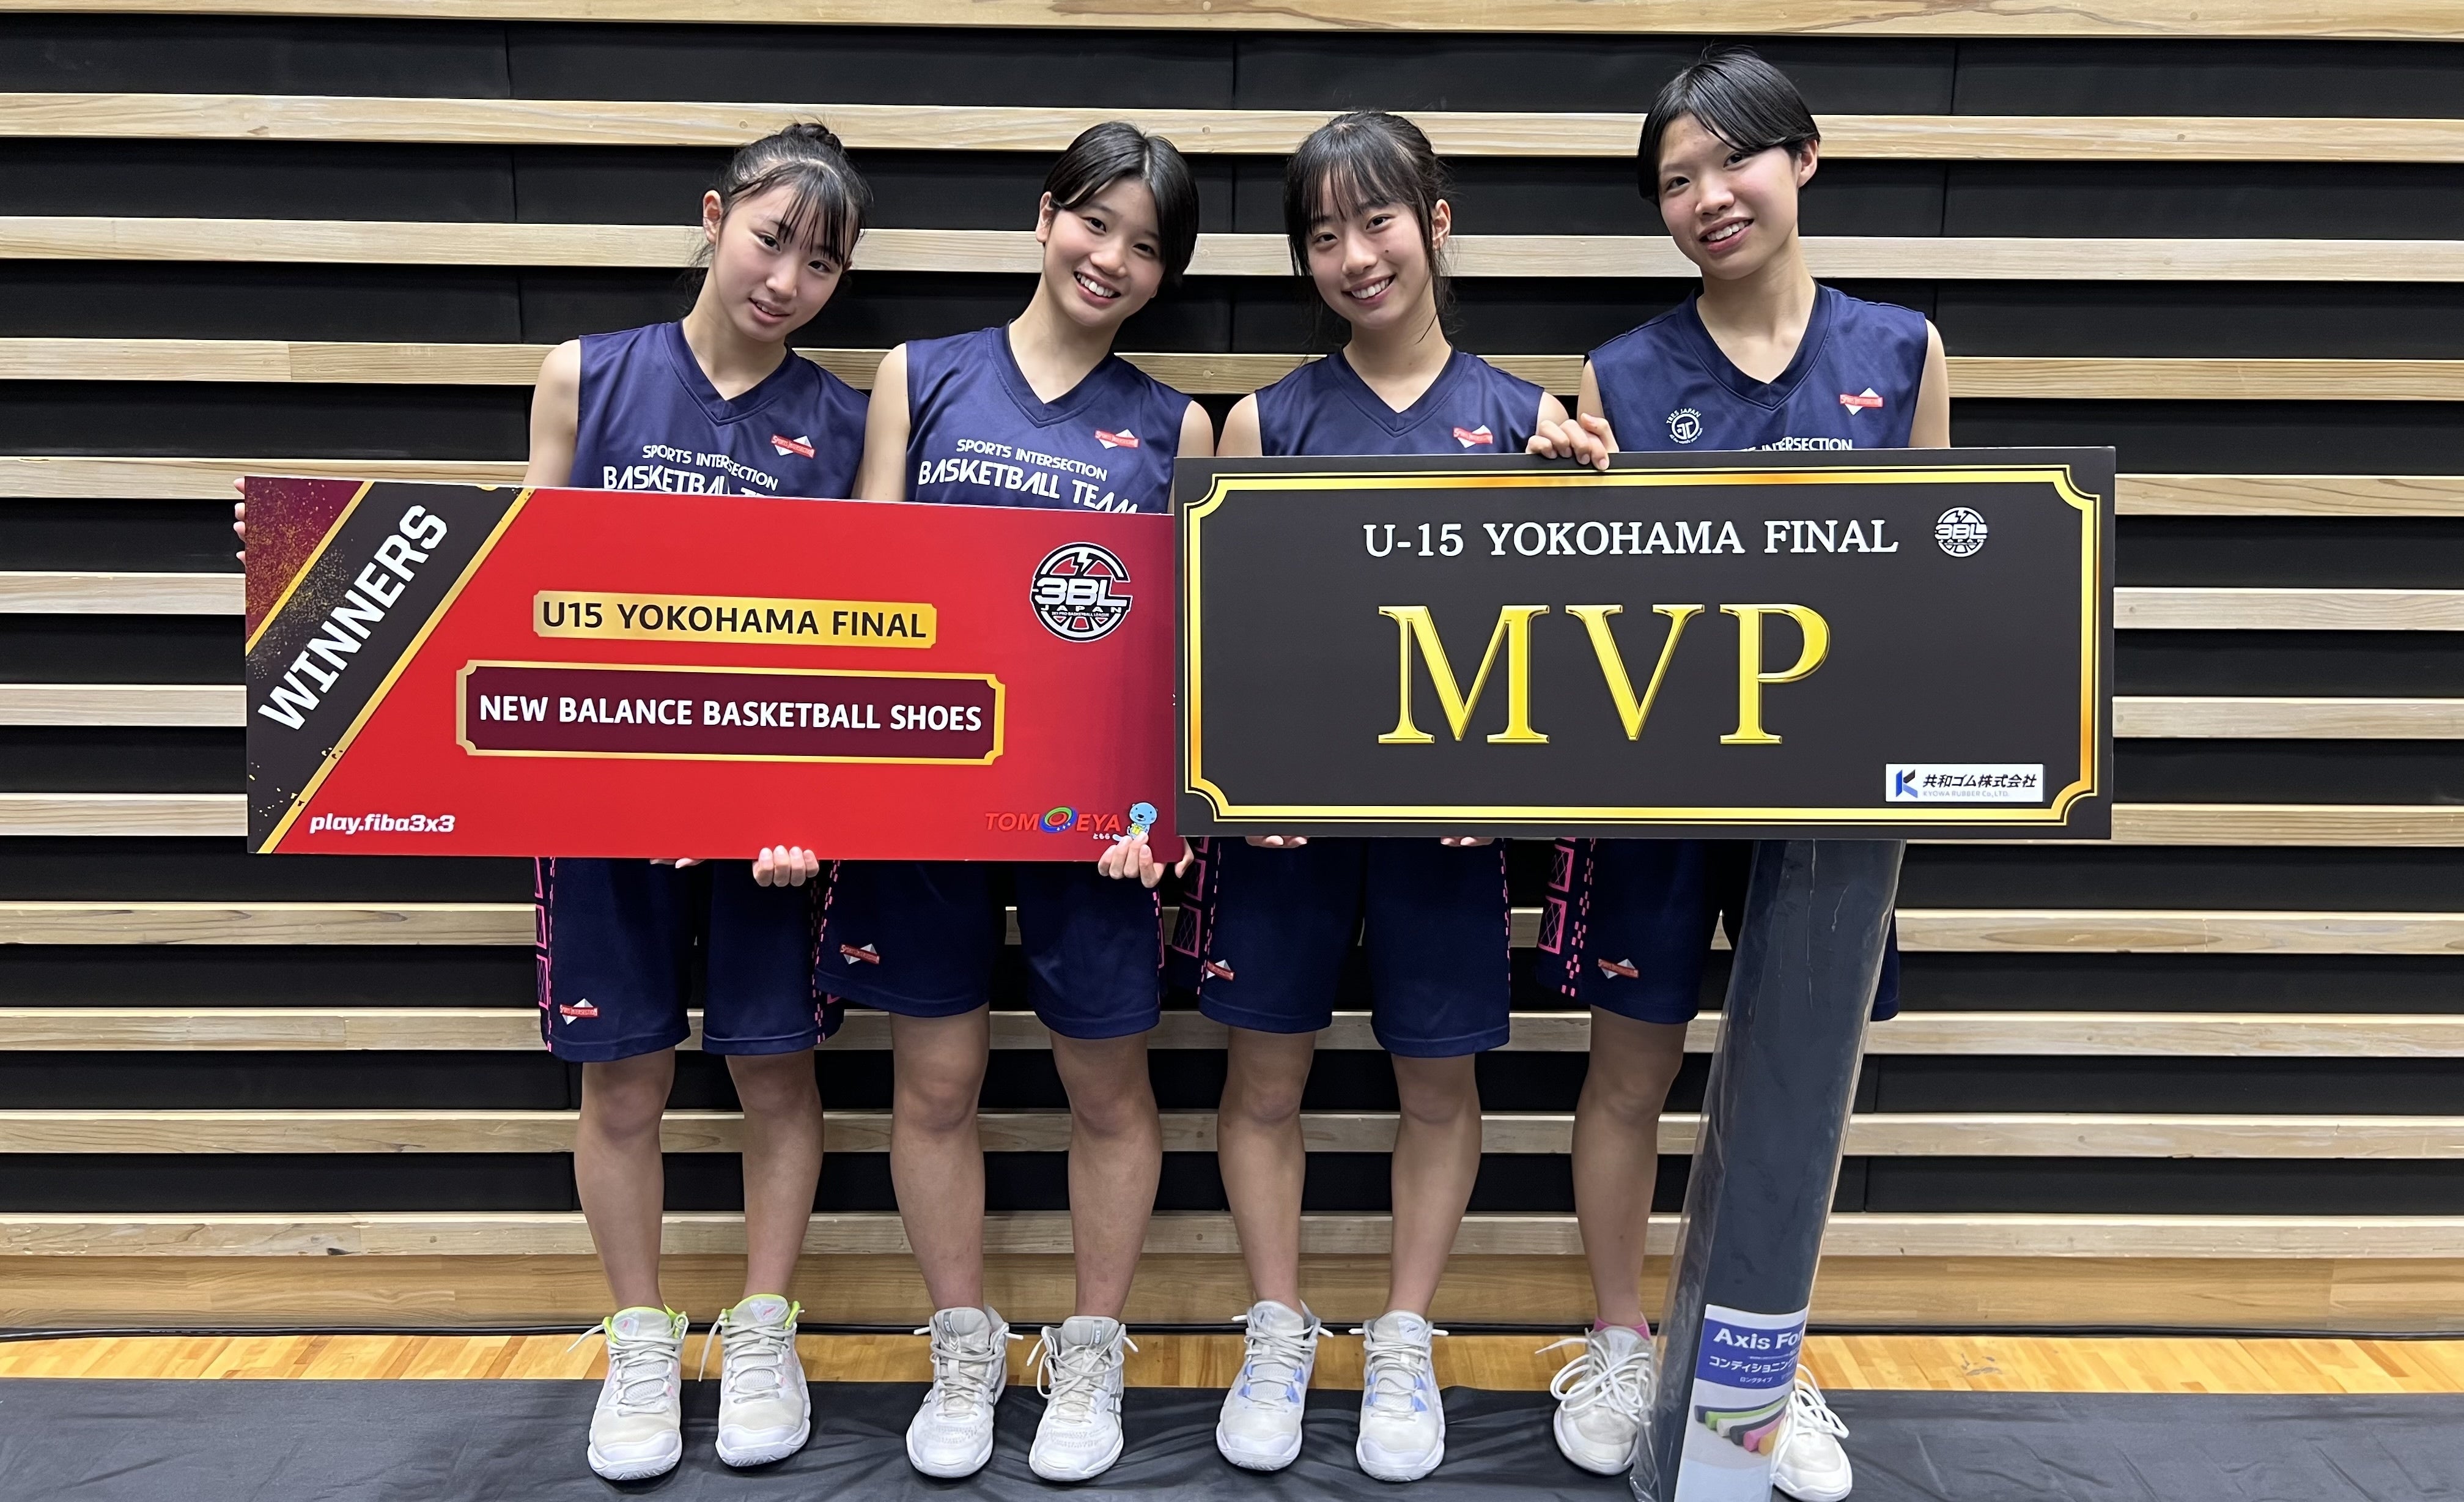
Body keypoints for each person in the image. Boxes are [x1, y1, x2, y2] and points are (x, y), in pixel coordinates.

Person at [237, 122, 872, 1481]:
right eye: (772, 240)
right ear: (714, 217)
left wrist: (810, 806)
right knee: (622, 1079)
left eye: (821, 264)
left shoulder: (844, 418)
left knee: (775, 1073)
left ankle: (764, 1329)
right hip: (602, 811)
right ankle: (639, 1340)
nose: (786, 281)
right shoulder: (586, 375)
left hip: (767, 832)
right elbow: (516, 596)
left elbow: (868, 641)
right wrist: (311, 562)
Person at [1122, 110, 1577, 1485]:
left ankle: (1403, 1335)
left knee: (1438, 1085)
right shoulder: (1266, 420)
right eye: (1321, 235)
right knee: (1262, 1080)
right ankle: (1277, 1327)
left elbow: (1573, 646)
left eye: (1376, 221)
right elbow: (1211, 631)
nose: (1353, 256)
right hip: (1286, 832)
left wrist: (1518, 778)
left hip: (1446, 835)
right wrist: (1231, 781)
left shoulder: (1529, 419)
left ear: (1435, 223)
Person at [1525, 50, 1949, 1498]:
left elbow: (1936, 583)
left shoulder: (1901, 350)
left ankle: (1760, 1365)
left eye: (1732, 162)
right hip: (1655, 793)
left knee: (1795, 1089)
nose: (1706, 198)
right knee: (1627, 1072)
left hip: (1828, 809)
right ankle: (1620, 1340)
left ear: (1802, 160)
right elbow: (1582, 604)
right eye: (1673, 181)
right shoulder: (1621, 372)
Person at [816, 121, 1213, 1485]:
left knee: (1106, 1084)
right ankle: (961, 1344)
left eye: (1146, 247)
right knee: (933, 1082)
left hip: (1092, 826)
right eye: (1095, 223)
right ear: (1046, 217)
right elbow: (862, 599)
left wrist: (1159, 811)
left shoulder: (1175, 424)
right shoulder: (919, 376)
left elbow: (1180, 649)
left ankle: (1090, 1351)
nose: (1111, 259)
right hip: (928, 800)